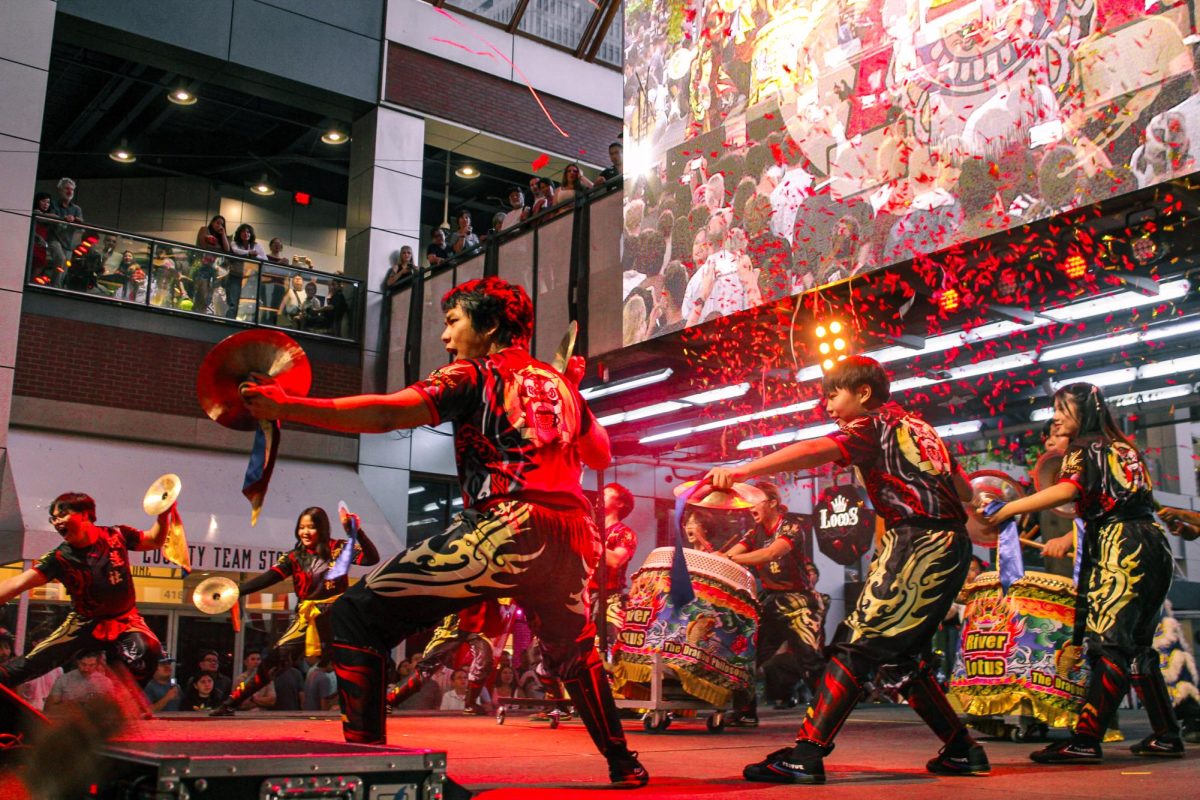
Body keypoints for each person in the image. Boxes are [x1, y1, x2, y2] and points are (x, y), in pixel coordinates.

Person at [239, 276, 648, 788]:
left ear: (490, 325)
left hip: (507, 527)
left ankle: (373, 773)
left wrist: (288, 408)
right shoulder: (562, 385)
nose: (446, 337)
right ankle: (623, 762)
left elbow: (391, 413)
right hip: (572, 537)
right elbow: (601, 454)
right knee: (575, 652)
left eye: (453, 322)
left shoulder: (475, 372)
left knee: (351, 616)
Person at [704, 355, 987, 784]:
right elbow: (964, 489)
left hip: (918, 541)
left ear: (864, 393)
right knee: (900, 659)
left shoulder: (873, 425)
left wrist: (745, 467)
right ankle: (963, 750)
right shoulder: (923, 430)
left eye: (834, 394)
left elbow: (814, 449)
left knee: (855, 644)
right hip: (950, 542)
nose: (828, 405)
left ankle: (805, 753)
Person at [983, 382, 1183, 763]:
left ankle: (1086, 739)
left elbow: (1066, 490)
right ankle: (1166, 733)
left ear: (1083, 413)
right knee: (1138, 644)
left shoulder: (1084, 447)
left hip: (1119, 543)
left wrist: (1009, 509)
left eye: (1062, 409)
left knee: (1109, 641)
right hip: (1153, 543)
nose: (1056, 418)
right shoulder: (1124, 447)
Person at [210, 506, 378, 716]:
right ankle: (232, 702)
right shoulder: (293, 556)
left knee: (356, 660)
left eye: (311, 527)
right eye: (301, 527)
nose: (305, 532)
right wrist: (238, 590)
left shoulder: (339, 548)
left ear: (323, 529)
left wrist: (356, 532)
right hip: (306, 617)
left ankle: (376, 705)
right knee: (275, 659)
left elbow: (372, 559)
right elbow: (270, 577)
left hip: (337, 614)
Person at [0, 493, 168, 694]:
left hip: (126, 621)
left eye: (62, 514)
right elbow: (18, 582)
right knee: (32, 663)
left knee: (148, 649)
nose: (57, 521)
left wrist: (163, 515)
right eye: (54, 518)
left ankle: (121, 703)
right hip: (83, 623)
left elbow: (154, 540)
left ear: (86, 515)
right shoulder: (59, 558)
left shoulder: (117, 535)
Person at [721, 482, 823, 726]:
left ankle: (826, 713)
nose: (750, 506)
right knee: (747, 654)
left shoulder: (792, 527)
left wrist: (729, 557)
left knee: (810, 659)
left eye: (755, 500)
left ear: (773, 502)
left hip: (800, 602)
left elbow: (771, 554)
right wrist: (715, 557)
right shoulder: (754, 532)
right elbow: (732, 555)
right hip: (770, 600)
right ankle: (745, 711)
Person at [386, 600, 503, 715]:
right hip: (455, 616)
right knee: (427, 667)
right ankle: (390, 701)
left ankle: (471, 703)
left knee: (485, 659)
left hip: (481, 614)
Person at [590, 482, 638, 655]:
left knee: (608, 650)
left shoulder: (624, 533)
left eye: (606, 494)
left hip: (609, 598)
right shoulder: (592, 528)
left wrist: (589, 540)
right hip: (583, 597)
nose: (599, 496)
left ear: (620, 503)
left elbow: (616, 559)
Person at [47, 178, 83, 287]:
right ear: (60, 189)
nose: (69, 192)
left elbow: (81, 221)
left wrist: (75, 219)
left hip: (68, 243)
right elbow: (49, 216)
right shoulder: (53, 204)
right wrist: (64, 218)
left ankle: (58, 286)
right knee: (60, 258)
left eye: (72, 189)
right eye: (67, 188)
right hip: (54, 238)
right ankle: (55, 287)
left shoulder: (76, 209)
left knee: (65, 268)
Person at [46, 651, 115, 710]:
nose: (86, 669)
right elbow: (52, 705)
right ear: (78, 662)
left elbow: (112, 707)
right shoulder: (63, 679)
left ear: (97, 665)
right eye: (83, 664)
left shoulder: (105, 682)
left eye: (91, 665)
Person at [227, 223, 266, 319]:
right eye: (243, 231)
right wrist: (249, 253)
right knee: (233, 303)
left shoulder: (256, 245)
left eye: (248, 232)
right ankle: (229, 322)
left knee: (249, 304)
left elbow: (265, 259)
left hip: (250, 279)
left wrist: (255, 255)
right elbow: (236, 251)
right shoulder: (234, 243)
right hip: (235, 276)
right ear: (239, 233)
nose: (246, 233)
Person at [193, 215, 231, 314]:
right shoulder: (205, 230)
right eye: (217, 222)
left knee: (210, 293)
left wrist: (223, 234)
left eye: (222, 224)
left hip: (215, 269)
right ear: (212, 222)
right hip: (203, 266)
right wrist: (212, 242)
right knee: (202, 290)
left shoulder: (222, 237)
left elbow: (227, 249)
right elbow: (203, 244)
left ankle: (202, 311)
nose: (219, 225)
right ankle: (198, 311)